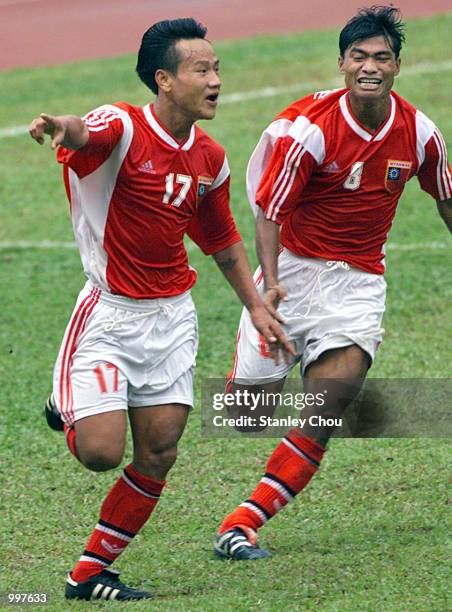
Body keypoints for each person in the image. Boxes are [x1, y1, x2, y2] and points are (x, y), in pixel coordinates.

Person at [29, 18, 294, 601]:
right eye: (202, 70)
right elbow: (83, 133)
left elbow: (221, 237)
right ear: (164, 80)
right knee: (102, 452)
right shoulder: (122, 126)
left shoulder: (210, 157)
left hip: (172, 318)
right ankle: (64, 402)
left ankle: (90, 573)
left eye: (217, 68)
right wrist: (58, 126)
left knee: (160, 450)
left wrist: (256, 307)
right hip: (109, 315)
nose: (216, 80)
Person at [214, 5, 452, 560]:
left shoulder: (420, 133)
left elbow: (446, 197)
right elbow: (268, 213)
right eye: (359, 57)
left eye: (382, 58)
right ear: (342, 64)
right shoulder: (310, 132)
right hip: (292, 273)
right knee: (245, 418)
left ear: (397, 67)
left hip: (358, 283)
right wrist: (268, 292)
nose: (370, 67)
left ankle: (241, 525)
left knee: (328, 406)